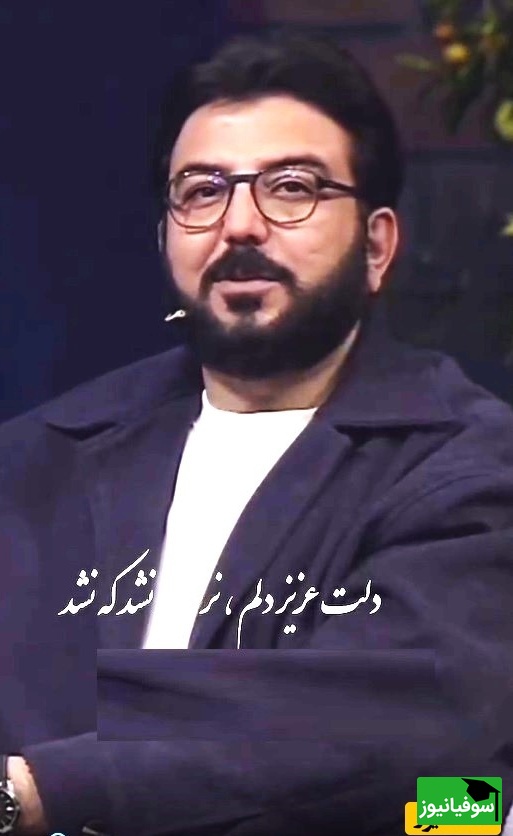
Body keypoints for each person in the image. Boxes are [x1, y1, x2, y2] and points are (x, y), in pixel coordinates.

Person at [1, 30, 513, 836]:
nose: (239, 224)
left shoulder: (468, 465)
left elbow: (414, 753)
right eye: (202, 191)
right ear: (164, 236)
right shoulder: (35, 461)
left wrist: (40, 787)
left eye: (291, 187)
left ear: (376, 244)